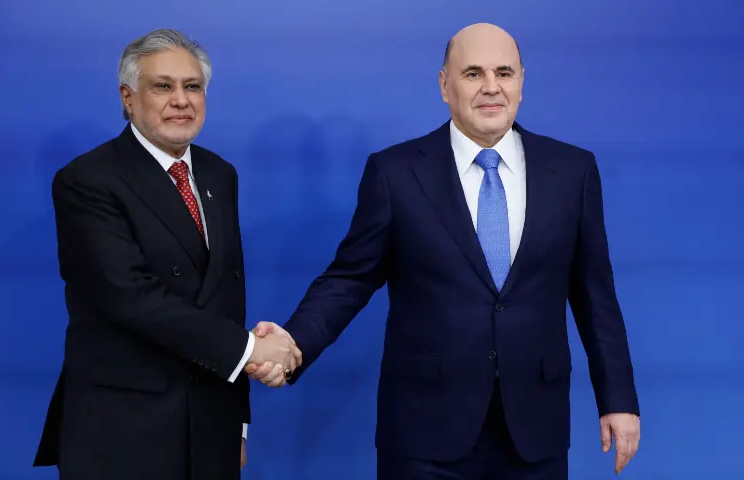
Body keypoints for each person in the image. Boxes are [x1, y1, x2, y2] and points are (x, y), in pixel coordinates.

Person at [248, 22, 641, 479]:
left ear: (521, 81)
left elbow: (596, 296)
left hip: (535, 430)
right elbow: (350, 279)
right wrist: (294, 343)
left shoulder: (572, 171)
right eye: (473, 73)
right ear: (444, 85)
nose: (491, 87)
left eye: (504, 73)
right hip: (423, 434)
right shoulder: (395, 173)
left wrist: (618, 399)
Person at [32, 28, 301, 480]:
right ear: (128, 97)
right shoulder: (87, 181)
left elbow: (225, 303)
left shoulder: (220, 174)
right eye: (163, 86)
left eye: (192, 86)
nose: (181, 100)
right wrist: (254, 348)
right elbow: (132, 298)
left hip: (210, 426)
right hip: (124, 432)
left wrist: (239, 425)